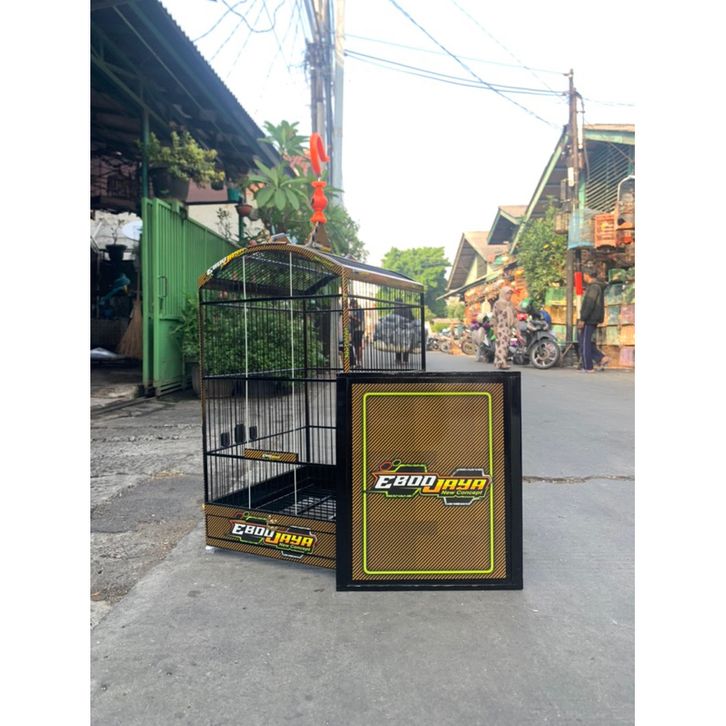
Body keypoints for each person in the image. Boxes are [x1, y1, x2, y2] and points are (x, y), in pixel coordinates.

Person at [578, 268, 609, 373]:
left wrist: (583, 319)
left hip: (590, 319)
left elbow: (589, 304)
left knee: (585, 342)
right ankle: (601, 358)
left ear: (587, 275)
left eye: (584, 275)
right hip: (592, 318)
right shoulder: (595, 286)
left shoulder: (594, 287)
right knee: (583, 340)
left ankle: (588, 367)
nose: (583, 277)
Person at [492, 286, 518, 369]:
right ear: (503, 294)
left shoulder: (511, 305)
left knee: (506, 346)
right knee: (502, 345)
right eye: (507, 293)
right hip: (501, 327)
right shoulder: (498, 304)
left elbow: (514, 318)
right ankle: (502, 363)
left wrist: (517, 329)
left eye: (510, 294)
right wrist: (495, 328)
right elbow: (494, 317)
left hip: (508, 328)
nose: (509, 296)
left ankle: (498, 362)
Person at [394, 298, 414, 365]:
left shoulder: (396, 309)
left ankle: (398, 359)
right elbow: (412, 318)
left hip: (399, 329)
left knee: (398, 344)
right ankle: (405, 360)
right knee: (406, 344)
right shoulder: (408, 308)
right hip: (407, 329)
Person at [349, 298, 365, 368]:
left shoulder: (360, 310)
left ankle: (359, 362)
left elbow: (359, 321)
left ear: (355, 303)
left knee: (358, 346)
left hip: (359, 330)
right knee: (355, 346)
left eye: (352, 305)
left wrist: (351, 317)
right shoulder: (354, 310)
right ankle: (357, 362)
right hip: (354, 330)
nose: (352, 307)